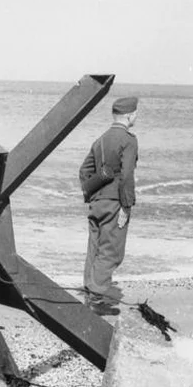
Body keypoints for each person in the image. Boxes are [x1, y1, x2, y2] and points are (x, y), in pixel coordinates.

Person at [79, 96, 138, 316]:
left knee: (94, 248)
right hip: (115, 203)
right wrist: (126, 206)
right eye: (136, 113)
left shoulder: (101, 140)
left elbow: (84, 172)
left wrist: (92, 196)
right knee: (111, 251)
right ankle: (97, 299)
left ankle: (89, 292)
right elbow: (127, 176)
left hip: (97, 202)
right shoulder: (129, 140)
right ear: (130, 115)